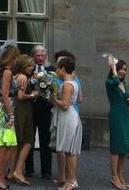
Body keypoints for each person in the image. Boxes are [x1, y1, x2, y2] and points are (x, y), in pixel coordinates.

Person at [0, 44, 20, 190]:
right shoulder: (7, 72)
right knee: (5, 146)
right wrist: (11, 115)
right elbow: (5, 95)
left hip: (1, 108)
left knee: (7, 146)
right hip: (6, 110)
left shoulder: (0, 71)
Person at [52, 55, 83, 190]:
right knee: (69, 151)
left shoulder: (67, 85)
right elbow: (78, 100)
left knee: (69, 151)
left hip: (68, 117)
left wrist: (53, 99)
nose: (57, 71)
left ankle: (72, 180)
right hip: (71, 116)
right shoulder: (75, 83)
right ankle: (70, 180)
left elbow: (65, 105)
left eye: (58, 68)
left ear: (63, 69)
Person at [26, 44, 55, 180]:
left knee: (46, 141)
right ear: (33, 56)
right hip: (30, 108)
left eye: (42, 56)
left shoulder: (51, 70)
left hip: (45, 109)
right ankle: (28, 169)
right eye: (38, 55)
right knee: (29, 140)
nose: (40, 58)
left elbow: (55, 88)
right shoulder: (29, 70)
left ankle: (46, 171)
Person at [105, 57, 129, 190]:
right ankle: (114, 176)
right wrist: (113, 67)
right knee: (116, 147)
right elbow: (115, 81)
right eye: (120, 69)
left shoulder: (124, 83)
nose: (123, 71)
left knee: (124, 147)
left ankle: (120, 175)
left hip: (125, 116)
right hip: (116, 116)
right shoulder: (110, 82)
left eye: (125, 69)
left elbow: (126, 99)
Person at [10, 54, 37, 186]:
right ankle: (18, 170)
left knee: (18, 142)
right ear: (24, 66)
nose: (32, 67)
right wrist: (33, 95)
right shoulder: (23, 77)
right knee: (28, 141)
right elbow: (21, 96)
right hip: (23, 110)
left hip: (18, 109)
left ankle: (11, 172)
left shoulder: (16, 76)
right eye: (29, 65)